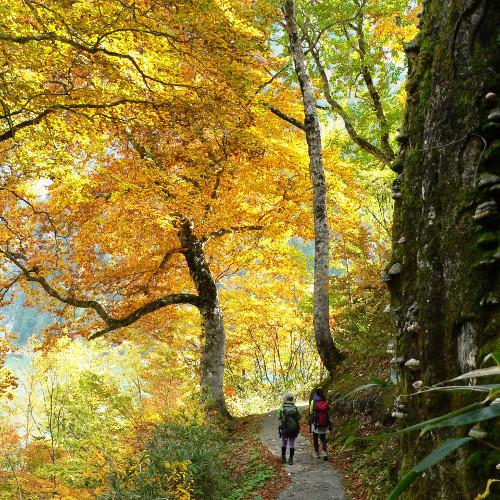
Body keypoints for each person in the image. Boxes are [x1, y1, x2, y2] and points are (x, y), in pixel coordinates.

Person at [277, 392, 300, 464]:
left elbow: (278, 417)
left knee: (284, 442)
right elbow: (298, 416)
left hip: (285, 428)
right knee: (291, 443)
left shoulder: (282, 408)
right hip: (293, 429)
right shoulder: (295, 408)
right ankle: (291, 459)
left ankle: (283, 457)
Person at [309, 387, 330, 461]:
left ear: (315, 393)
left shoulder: (313, 401)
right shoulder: (324, 401)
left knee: (315, 437)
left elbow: (311, 411)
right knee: (323, 438)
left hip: (316, 422)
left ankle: (317, 453)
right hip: (324, 422)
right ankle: (325, 452)